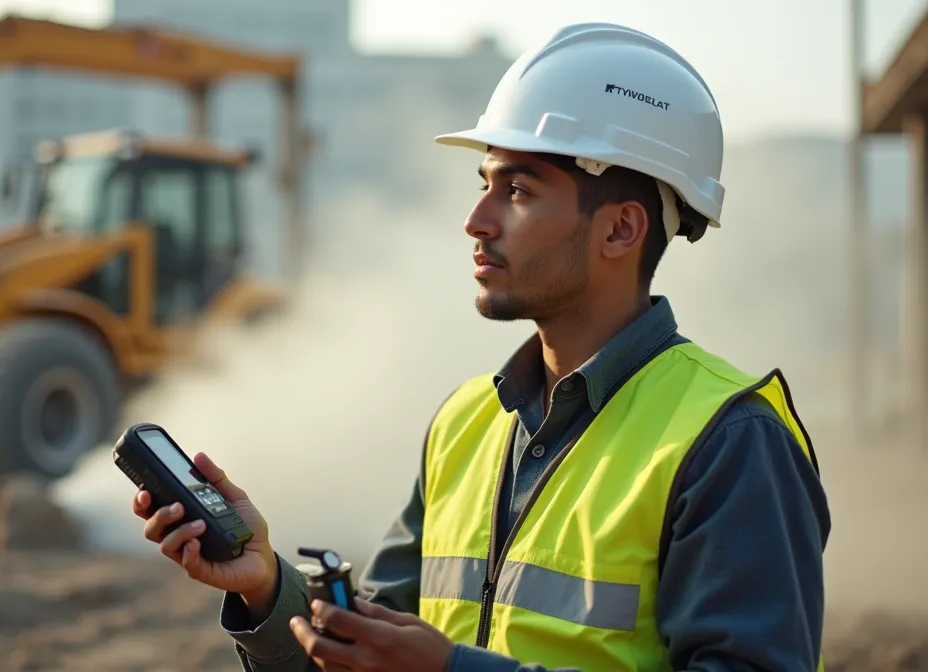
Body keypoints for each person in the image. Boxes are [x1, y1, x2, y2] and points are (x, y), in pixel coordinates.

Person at [133, 21, 831, 672]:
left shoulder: (729, 440)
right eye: (484, 184)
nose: (475, 220)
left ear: (621, 229)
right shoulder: (465, 424)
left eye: (518, 189)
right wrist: (264, 586)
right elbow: (372, 654)